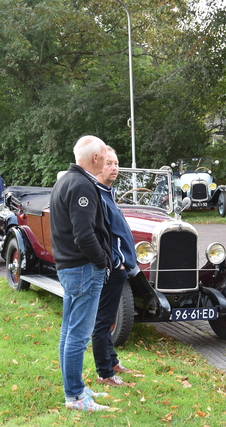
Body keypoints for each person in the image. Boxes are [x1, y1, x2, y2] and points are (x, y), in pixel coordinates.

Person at [49, 135, 113, 412]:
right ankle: (75, 396)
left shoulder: (65, 180)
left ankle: (75, 387)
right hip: (83, 268)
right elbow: (84, 235)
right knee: (78, 334)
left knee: (69, 332)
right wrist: (102, 262)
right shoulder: (81, 185)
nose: (107, 160)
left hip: (71, 267)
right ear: (96, 158)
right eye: (104, 155)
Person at [92, 146, 138, 387]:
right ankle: (104, 372)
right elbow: (101, 235)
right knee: (103, 321)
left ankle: (112, 362)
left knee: (109, 319)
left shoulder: (108, 193)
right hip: (113, 268)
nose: (115, 168)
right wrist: (117, 263)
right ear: (98, 165)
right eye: (109, 163)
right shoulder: (97, 196)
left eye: (117, 163)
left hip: (121, 268)